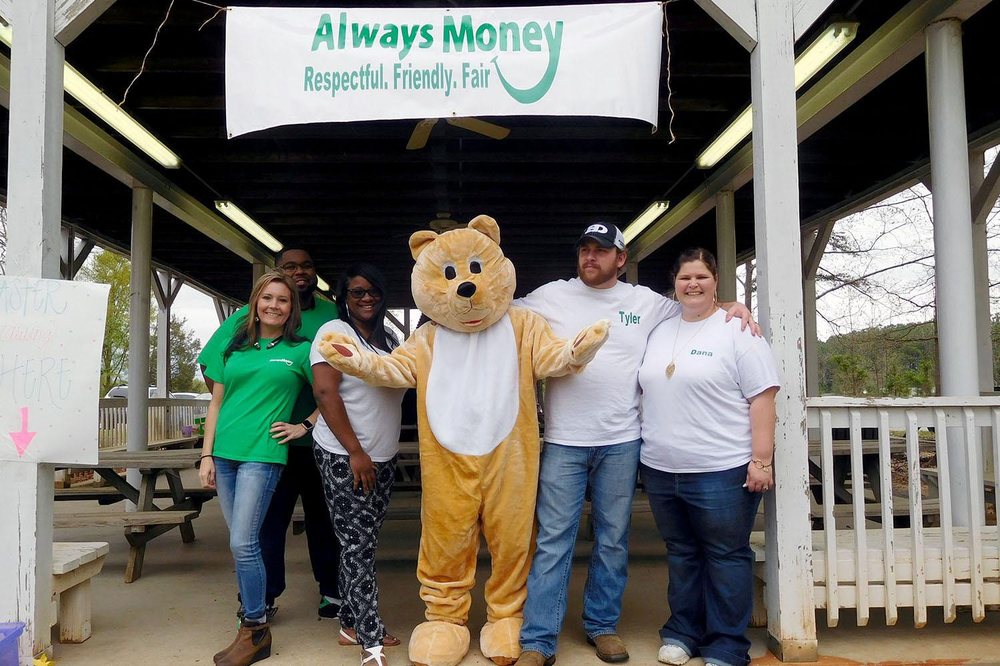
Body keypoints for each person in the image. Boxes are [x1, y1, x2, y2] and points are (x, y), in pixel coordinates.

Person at [514, 224, 756, 666]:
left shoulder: (645, 302)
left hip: (623, 441)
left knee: (612, 540)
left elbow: (694, 303)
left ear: (621, 259)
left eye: (601, 251)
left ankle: (602, 625)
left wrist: (732, 306)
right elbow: (499, 310)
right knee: (553, 540)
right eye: (585, 249)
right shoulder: (551, 295)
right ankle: (539, 639)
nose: (590, 257)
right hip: (565, 441)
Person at [638, 248, 779, 666]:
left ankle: (726, 645)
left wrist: (762, 459)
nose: (693, 284)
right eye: (685, 277)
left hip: (721, 469)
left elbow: (763, 397)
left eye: (701, 276)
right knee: (682, 553)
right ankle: (683, 633)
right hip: (661, 468)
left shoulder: (738, 330)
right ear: (675, 283)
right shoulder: (660, 330)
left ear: (716, 280)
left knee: (725, 555)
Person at [198, 248, 341, 621]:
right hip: (249, 446)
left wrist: (305, 424)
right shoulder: (241, 330)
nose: (299, 272)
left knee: (321, 521)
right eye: (290, 266)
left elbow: (335, 387)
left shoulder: (327, 319)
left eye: (306, 265)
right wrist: (210, 449)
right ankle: (261, 600)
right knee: (263, 528)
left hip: (306, 444)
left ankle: (328, 592)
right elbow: (215, 383)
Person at [311, 263, 404, 666]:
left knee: (361, 542)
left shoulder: (390, 339)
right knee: (358, 546)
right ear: (344, 298)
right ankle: (370, 639)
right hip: (344, 455)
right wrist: (355, 452)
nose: (367, 298)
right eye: (357, 292)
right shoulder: (334, 334)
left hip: (383, 456)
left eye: (373, 291)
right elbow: (325, 393)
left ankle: (349, 624)